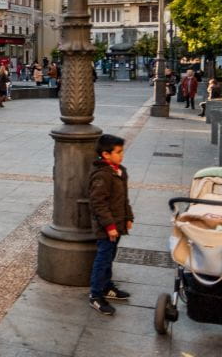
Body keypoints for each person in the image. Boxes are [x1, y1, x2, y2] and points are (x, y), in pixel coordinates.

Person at [88, 134, 134, 315]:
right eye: (118, 152)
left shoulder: (119, 171)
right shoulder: (102, 175)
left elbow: (124, 199)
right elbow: (98, 203)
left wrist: (128, 217)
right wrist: (109, 226)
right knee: (103, 259)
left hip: (117, 224)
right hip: (106, 227)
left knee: (110, 256)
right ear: (106, 155)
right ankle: (96, 295)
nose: (122, 154)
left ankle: (107, 287)